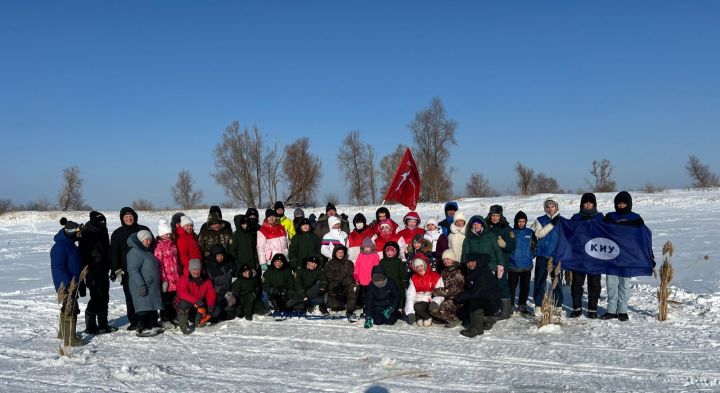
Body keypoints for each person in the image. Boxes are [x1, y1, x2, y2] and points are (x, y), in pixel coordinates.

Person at [601, 191, 647, 321]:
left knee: (624, 285)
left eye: (623, 203)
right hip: (611, 257)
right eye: (619, 204)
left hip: (627, 257)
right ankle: (611, 310)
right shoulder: (610, 216)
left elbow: (643, 238)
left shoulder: (636, 218)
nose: (621, 206)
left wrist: (647, 255)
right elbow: (601, 234)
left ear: (629, 204)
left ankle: (622, 310)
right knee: (611, 284)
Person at [110, 207, 152, 331]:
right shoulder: (117, 233)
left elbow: (152, 246)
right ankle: (134, 321)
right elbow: (114, 253)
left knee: (146, 294)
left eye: (131, 216)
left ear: (135, 216)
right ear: (122, 219)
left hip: (145, 269)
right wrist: (116, 269)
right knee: (131, 296)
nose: (129, 218)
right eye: (126, 217)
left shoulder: (143, 229)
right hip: (127, 271)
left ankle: (148, 319)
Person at [79, 211, 116, 334]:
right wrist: (84, 273)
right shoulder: (87, 233)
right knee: (96, 297)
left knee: (105, 296)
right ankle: (90, 326)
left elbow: (107, 251)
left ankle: (103, 325)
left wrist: (112, 267)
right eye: (101, 221)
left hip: (104, 270)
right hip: (92, 271)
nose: (103, 223)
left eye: (104, 221)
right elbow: (82, 255)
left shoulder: (103, 230)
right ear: (95, 221)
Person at [570, 193, 604, 319]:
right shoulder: (576, 218)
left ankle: (592, 308)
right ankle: (577, 308)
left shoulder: (600, 218)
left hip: (595, 257)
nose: (588, 205)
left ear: (594, 204)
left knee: (594, 284)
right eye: (586, 203)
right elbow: (569, 233)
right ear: (582, 204)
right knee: (577, 283)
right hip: (579, 256)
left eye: (590, 203)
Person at [51, 218, 84, 347]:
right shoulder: (60, 247)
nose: (80, 235)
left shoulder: (70, 244)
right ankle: (69, 338)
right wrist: (68, 285)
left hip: (72, 282)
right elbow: (58, 268)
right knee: (71, 307)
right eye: (78, 233)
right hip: (66, 284)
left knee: (68, 306)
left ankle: (63, 333)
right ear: (71, 232)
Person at [126, 230, 164, 337]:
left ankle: (153, 324)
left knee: (151, 306)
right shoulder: (134, 252)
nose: (149, 242)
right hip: (142, 285)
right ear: (140, 240)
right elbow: (133, 270)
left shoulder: (146, 251)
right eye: (146, 239)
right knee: (143, 307)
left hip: (151, 286)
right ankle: (142, 328)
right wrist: (140, 284)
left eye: (150, 240)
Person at [454, 253, 502, 338]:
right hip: (486, 300)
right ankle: (488, 319)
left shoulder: (483, 273)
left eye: (473, 262)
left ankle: (477, 329)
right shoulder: (475, 270)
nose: (470, 264)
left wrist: (461, 296)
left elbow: (477, 292)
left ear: (478, 262)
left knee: (474, 301)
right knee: (463, 311)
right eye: (468, 262)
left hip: (492, 302)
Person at [532, 198, 564, 313]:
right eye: (548, 207)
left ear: (556, 207)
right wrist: (551, 224)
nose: (550, 209)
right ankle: (538, 305)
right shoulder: (539, 220)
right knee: (540, 281)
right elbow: (539, 234)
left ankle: (558, 305)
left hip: (556, 257)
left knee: (557, 281)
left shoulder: (562, 221)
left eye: (552, 206)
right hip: (542, 255)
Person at [485, 205, 515, 319]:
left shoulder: (506, 227)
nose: (495, 218)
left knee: (501, 283)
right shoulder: (486, 226)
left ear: (500, 215)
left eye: (497, 215)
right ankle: (492, 308)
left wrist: (505, 244)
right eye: (493, 215)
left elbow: (513, 245)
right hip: (488, 260)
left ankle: (505, 311)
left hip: (502, 260)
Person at [175, 258, 216, 334]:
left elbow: (211, 293)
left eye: (198, 269)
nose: (196, 272)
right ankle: (184, 326)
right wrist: (196, 301)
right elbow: (182, 293)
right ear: (190, 270)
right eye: (194, 270)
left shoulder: (206, 279)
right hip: (187, 304)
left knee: (215, 312)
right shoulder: (184, 279)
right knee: (183, 304)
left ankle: (197, 321)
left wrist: (210, 308)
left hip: (199, 304)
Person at [153, 219, 180, 328]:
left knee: (174, 299)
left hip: (175, 277)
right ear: (161, 235)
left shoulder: (173, 245)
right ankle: (165, 319)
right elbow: (159, 265)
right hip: (166, 279)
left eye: (169, 234)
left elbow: (176, 261)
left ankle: (173, 317)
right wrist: (164, 280)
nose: (168, 236)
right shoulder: (158, 247)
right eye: (165, 234)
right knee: (166, 301)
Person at [404, 254, 444, 327]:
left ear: (425, 264)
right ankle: (419, 318)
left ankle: (427, 317)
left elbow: (440, 292)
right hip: (416, 300)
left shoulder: (435, 276)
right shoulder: (414, 278)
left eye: (421, 265)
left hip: (427, 300)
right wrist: (410, 312)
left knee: (417, 307)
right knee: (411, 306)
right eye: (417, 267)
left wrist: (435, 301)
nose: (419, 268)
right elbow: (410, 294)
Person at [508, 211, 535, 315]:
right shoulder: (511, 232)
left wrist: (530, 256)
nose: (521, 223)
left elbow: (534, 246)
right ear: (516, 221)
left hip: (527, 266)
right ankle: (510, 306)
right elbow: (508, 247)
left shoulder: (530, 232)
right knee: (512, 286)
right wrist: (511, 257)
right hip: (513, 265)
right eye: (519, 221)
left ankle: (522, 305)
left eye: (523, 221)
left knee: (525, 286)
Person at [429, 249, 465, 327]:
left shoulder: (457, 272)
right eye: (444, 259)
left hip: (456, 300)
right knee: (431, 306)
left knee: (435, 309)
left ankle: (454, 319)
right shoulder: (444, 271)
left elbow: (450, 291)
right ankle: (444, 318)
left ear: (452, 259)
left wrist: (434, 291)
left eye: (448, 259)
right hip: (445, 297)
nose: (446, 261)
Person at [324, 245, 359, 321]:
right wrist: (338, 283)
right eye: (338, 252)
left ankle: (350, 310)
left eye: (342, 252)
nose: (340, 254)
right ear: (335, 253)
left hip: (345, 289)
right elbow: (329, 277)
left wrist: (341, 283)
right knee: (335, 306)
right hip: (334, 290)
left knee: (354, 286)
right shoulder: (329, 264)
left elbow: (350, 277)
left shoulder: (349, 263)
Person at [204, 244, 237, 321]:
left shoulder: (227, 263)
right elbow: (209, 286)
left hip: (227, 291)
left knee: (230, 315)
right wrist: (220, 290)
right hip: (216, 293)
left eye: (221, 255)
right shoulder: (209, 267)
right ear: (213, 256)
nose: (220, 258)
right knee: (215, 315)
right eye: (217, 256)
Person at [262, 254, 295, 319]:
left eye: (280, 262)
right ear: (273, 262)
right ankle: (273, 305)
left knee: (287, 304)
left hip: (285, 293)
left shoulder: (287, 271)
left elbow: (291, 284)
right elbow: (265, 286)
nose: (278, 263)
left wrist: (290, 294)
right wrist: (276, 291)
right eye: (277, 261)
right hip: (273, 293)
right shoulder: (268, 272)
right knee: (276, 303)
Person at [378, 241, 408, 308]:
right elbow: (380, 273)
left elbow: (402, 273)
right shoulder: (382, 262)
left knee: (398, 294)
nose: (389, 253)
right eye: (387, 251)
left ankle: (399, 308)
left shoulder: (398, 261)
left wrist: (404, 282)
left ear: (395, 252)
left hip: (397, 283)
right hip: (386, 284)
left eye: (391, 251)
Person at [354, 237, 381, 308]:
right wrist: (356, 275)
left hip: (370, 278)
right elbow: (357, 265)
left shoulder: (375, 255)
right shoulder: (360, 255)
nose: (366, 249)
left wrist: (375, 276)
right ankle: (360, 303)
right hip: (361, 277)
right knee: (361, 292)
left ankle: (370, 304)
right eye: (365, 247)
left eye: (368, 247)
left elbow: (376, 266)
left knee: (370, 292)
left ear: (372, 247)